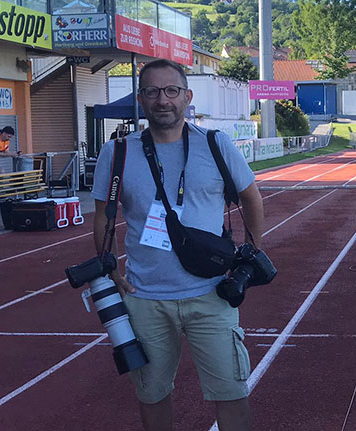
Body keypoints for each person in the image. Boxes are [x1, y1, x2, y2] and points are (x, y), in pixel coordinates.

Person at [91, 59, 264, 431]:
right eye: (152, 91)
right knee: (151, 395)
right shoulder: (117, 153)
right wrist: (109, 266)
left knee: (231, 394)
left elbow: (252, 197)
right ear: (141, 99)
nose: (162, 100)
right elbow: (103, 214)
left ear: (187, 97)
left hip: (211, 294)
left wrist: (250, 255)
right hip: (145, 297)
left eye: (171, 91)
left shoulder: (216, 145)